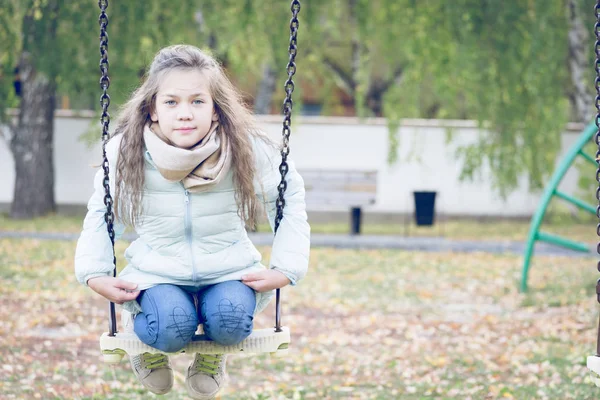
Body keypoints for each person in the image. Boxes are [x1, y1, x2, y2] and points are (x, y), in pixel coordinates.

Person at [74, 44, 310, 399]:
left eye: (198, 101)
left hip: (227, 269)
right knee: (170, 327)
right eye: (171, 102)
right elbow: (102, 215)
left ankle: (212, 359)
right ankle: (149, 348)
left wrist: (287, 268)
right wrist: (93, 273)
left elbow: (288, 197)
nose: (185, 113)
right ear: (152, 109)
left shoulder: (244, 148)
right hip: (157, 273)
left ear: (216, 110)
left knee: (230, 323)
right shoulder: (126, 151)